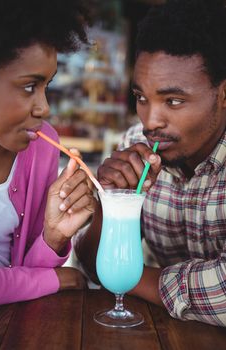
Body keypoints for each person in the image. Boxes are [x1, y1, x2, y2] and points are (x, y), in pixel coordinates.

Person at [73, 0, 226, 327]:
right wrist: (107, 204)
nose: (151, 120)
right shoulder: (134, 147)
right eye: (142, 98)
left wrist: (127, 276)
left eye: (173, 100)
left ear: (223, 94)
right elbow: (88, 263)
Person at [0, 0, 96, 306]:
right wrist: (51, 279)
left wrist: (53, 235)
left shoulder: (40, 146)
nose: (45, 107)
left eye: (46, 86)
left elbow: (28, 272)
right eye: (29, 87)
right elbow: (40, 280)